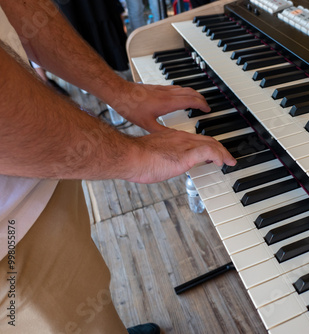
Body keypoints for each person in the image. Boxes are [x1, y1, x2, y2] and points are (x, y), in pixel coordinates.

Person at [0, 0, 236, 333]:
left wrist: (120, 93)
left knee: (88, 295)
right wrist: (132, 156)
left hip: (34, 173)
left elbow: (19, 7)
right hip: (7, 236)